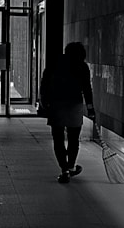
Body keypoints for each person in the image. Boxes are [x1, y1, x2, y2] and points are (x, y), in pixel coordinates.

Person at [40, 42, 96, 183]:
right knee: (73, 138)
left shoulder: (55, 63)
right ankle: (71, 166)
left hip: (56, 105)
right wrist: (90, 108)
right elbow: (87, 88)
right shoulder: (82, 67)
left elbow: (45, 82)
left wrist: (44, 102)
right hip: (74, 106)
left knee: (58, 139)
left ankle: (64, 170)